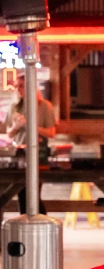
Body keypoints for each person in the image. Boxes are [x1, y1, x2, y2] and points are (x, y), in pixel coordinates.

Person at [4, 72, 57, 215]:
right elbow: (9, 133)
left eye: (21, 86)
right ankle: (25, 222)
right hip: (19, 154)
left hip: (37, 154)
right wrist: (16, 126)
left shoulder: (44, 106)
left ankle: (40, 223)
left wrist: (30, 126)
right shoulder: (15, 106)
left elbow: (51, 132)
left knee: (33, 194)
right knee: (20, 193)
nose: (18, 89)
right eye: (16, 86)